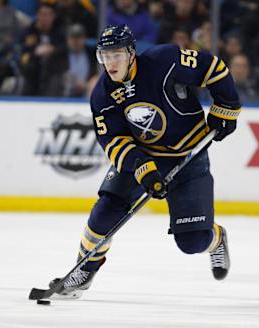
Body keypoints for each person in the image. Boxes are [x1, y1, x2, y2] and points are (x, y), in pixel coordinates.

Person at [50, 24, 241, 298]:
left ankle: (216, 236)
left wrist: (227, 107)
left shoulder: (164, 61)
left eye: (116, 55)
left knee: (192, 242)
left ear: (131, 53)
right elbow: (114, 141)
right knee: (104, 213)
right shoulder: (102, 93)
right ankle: (85, 271)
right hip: (144, 156)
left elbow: (213, 68)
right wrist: (143, 168)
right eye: (105, 56)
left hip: (189, 155)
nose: (111, 62)